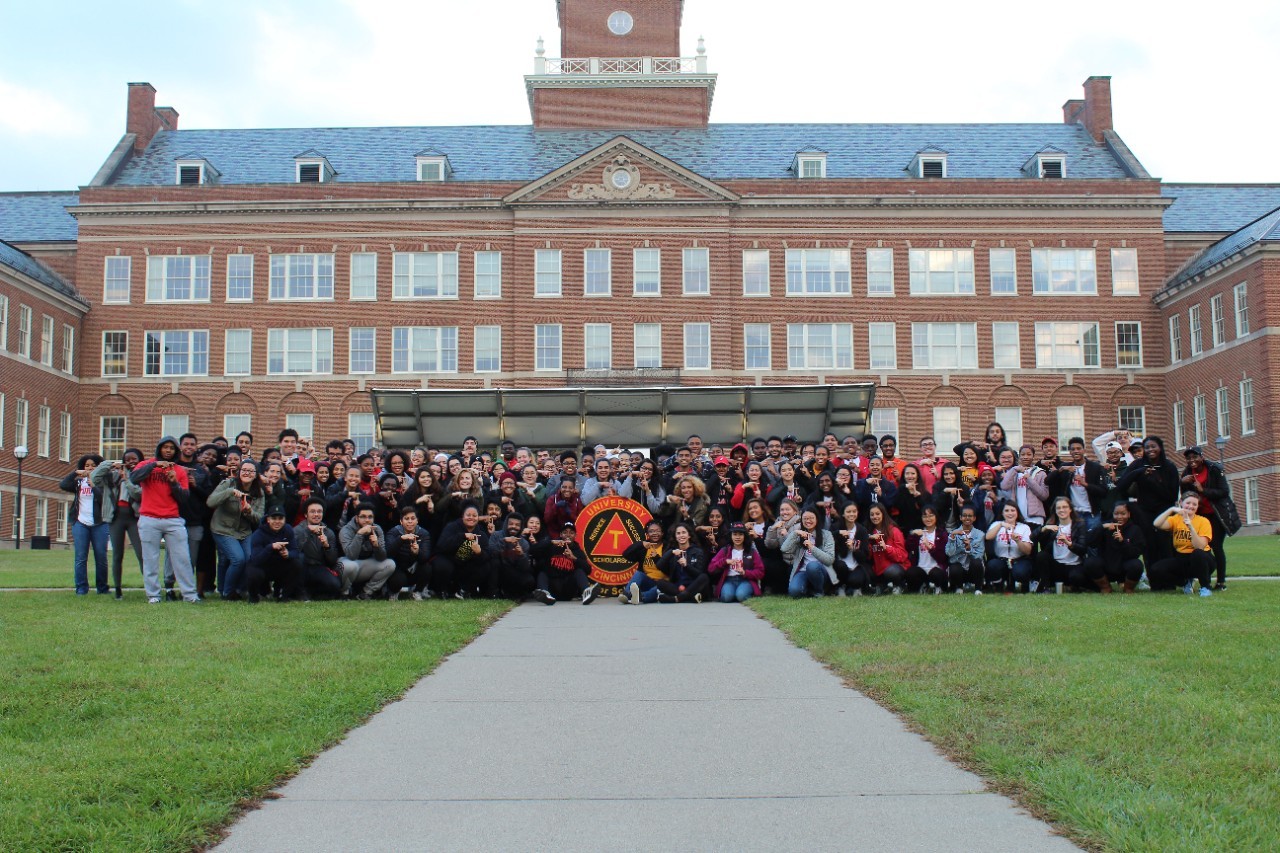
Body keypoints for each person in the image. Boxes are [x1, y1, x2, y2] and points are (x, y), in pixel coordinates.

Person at [130, 436, 200, 604]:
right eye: (165, 447)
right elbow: (134, 478)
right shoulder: (147, 465)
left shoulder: (180, 471)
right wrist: (154, 465)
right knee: (150, 559)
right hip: (149, 518)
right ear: (159, 448)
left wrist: (174, 483)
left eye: (172, 448)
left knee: (182, 558)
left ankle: (189, 595)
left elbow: (183, 498)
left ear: (176, 452)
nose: (168, 450)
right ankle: (153, 595)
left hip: (173, 519)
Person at [1114, 436, 1181, 569]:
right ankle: (1154, 579)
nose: (1150, 450)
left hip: (1164, 511)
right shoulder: (1138, 465)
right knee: (1148, 545)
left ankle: (1169, 579)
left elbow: (1172, 495)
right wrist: (1139, 473)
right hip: (1144, 511)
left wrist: (1155, 480)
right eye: (1147, 447)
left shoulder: (1169, 467)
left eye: (1153, 446)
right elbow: (1121, 485)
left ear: (1160, 448)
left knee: (1165, 544)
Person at [206, 459, 264, 599]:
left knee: (250, 558)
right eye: (244, 470)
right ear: (239, 472)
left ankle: (241, 590)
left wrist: (249, 511)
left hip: (244, 532)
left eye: (251, 471)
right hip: (223, 529)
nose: (247, 473)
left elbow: (258, 518)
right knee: (238, 559)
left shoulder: (258, 492)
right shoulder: (228, 484)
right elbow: (210, 502)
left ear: (256, 475)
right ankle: (227, 592)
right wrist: (229, 492)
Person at [90, 449, 144, 598]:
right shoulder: (113, 475)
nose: (131, 462)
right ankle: (118, 589)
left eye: (135, 459)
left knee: (141, 554)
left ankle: (150, 587)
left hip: (134, 517)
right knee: (117, 555)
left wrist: (126, 479)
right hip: (116, 518)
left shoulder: (141, 476)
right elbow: (94, 478)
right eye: (128, 459)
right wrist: (108, 464)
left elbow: (138, 494)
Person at [1179, 446, 1234, 590]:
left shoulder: (1214, 469)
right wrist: (1182, 483)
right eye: (1189, 458)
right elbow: (1185, 497)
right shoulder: (1186, 473)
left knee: (1216, 545)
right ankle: (1205, 580)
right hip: (1199, 515)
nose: (1192, 460)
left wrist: (1203, 490)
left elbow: (1224, 491)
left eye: (1195, 457)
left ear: (1202, 457)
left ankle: (1221, 582)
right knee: (1201, 548)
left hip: (1216, 514)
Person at [60, 454, 110, 596]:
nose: (90, 468)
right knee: (81, 557)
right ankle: (81, 588)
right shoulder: (77, 483)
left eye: (93, 465)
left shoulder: (103, 482)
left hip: (100, 523)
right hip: (80, 523)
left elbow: (103, 499)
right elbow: (63, 485)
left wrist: (93, 483)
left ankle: (102, 588)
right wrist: (75, 473)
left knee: (101, 556)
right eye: (87, 465)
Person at [1149, 493, 1214, 596]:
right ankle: (1185, 583)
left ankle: (1205, 587)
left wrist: (1190, 526)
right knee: (1156, 569)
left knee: (1197, 553)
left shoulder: (1203, 521)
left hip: (1203, 560)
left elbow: (1200, 546)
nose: (1191, 506)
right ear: (1181, 503)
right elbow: (1156, 523)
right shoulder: (1176, 519)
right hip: (1183, 558)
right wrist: (1171, 510)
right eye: (1188, 503)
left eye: (1194, 504)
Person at [337, 503, 396, 600]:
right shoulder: (346, 530)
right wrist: (359, 534)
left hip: (364, 565)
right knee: (351, 565)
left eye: (370, 517)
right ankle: (344, 593)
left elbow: (381, 558)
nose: (367, 520)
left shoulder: (377, 529)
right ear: (357, 518)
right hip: (345, 564)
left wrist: (376, 546)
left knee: (390, 564)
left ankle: (366, 593)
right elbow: (351, 556)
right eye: (363, 517)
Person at [1083, 503, 1145, 593]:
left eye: (1123, 514)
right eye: (1116, 514)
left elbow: (1136, 553)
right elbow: (1090, 542)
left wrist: (1122, 541)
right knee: (1090, 562)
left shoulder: (1135, 529)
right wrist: (1102, 527)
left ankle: (1128, 589)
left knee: (1137, 565)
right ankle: (1105, 588)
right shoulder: (1104, 526)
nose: (1119, 517)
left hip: (1124, 567)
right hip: (1106, 566)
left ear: (1129, 514)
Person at [435, 503, 495, 599]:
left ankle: (465, 590)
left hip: (466, 565)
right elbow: (441, 545)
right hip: (449, 560)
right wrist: (462, 536)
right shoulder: (451, 527)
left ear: (478, 517)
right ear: (462, 516)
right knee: (442, 565)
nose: (471, 518)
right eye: (468, 515)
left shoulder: (481, 533)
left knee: (486, 566)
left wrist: (479, 552)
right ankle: (442, 590)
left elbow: (488, 554)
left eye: (474, 515)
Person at [530, 522, 597, 605]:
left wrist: (574, 558)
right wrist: (550, 542)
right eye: (565, 532)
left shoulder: (578, 551)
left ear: (575, 535)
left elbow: (588, 570)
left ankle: (586, 593)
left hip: (568, 589)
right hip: (552, 587)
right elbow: (532, 550)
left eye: (571, 533)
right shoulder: (552, 546)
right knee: (542, 572)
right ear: (561, 534)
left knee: (579, 571)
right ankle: (545, 593)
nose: (568, 535)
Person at [245, 508, 304, 603]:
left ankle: (284, 595)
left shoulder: (288, 530)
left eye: (280, 518)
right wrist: (270, 547)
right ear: (268, 519)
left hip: (279, 565)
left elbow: (295, 551)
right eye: (274, 518)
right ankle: (253, 596)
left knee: (297, 563)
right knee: (253, 573)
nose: (277, 521)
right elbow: (256, 559)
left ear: (284, 520)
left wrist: (288, 554)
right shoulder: (258, 534)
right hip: (262, 566)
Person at [1035, 497, 1087, 593]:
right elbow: (1032, 538)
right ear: (1055, 510)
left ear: (1070, 509)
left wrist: (1068, 543)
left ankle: (1074, 586)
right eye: (1058, 508)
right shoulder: (1052, 525)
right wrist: (1044, 528)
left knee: (1076, 577)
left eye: (1065, 507)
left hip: (1074, 565)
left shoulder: (1080, 524)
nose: (1062, 510)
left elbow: (1083, 549)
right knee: (1041, 555)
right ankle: (1045, 588)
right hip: (1057, 565)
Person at [295, 497, 342, 599]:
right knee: (299, 558)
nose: (316, 514)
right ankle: (301, 592)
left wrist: (326, 545)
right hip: (302, 568)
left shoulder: (329, 532)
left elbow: (332, 560)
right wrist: (308, 531)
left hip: (318, 567)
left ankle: (313, 593)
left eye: (319, 512)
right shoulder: (297, 530)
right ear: (306, 514)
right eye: (312, 512)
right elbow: (295, 552)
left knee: (335, 585)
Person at [783, 507, 836, 598]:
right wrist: (794, 533)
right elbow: (784, 549)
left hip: (820, 571)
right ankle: (808, 590)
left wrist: (812, 547)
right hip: (803, 571)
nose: (808, 521)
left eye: (811, 518)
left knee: (812, 566)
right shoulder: (800, 535)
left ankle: (819, 591)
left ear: (817, 519)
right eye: (805, 518)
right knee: (794, 592)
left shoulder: (826, 534)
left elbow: (829, 560)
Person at [708, 522, 765, 602]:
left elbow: (760, 572)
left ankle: (743, 593)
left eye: (740, 534)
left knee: (741, 596)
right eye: (735, 534)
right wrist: (725, 561)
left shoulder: (751, 551)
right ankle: (734, 594)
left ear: (745, 536)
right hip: (729, 580)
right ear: (731, 536)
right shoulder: (725, 550)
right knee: (726, 597)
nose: (737, 537)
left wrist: (745, 572)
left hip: (746, 580)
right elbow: (711, 568)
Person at [985, 502, 1035, 593]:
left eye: (1013, 510)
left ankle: (1022, 586)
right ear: (1002, 513)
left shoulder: (1024, 527)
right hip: (1001, 560)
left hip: (1019, 559)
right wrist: (1001, 525)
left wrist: (1017, 541)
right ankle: (998, 585)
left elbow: (1028, 551)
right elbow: (988, 537)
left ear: (1017, 512)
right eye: (1007, 510)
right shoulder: (996, 524)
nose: (1010, 513)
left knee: (1021, 572)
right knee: (992, 565)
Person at [653, 521, 709, 603]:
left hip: (694, 586)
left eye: (683, 533)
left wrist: (686, 565)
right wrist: (671, 553)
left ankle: (677, 598)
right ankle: (690, 597)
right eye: (678, 533)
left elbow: (699, 574)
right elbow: (659, 566)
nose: (681, 535)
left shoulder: (698, 551)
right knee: (660, 583)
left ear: (689, 535)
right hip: (678, 587)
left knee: (704, 577)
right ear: (675, 537)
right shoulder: (673, 552)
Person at [386, 505, 433, 600]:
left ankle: (417, 592)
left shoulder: (424, 534)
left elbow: (425, 556)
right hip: (398, 568)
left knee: (427, 567)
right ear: (401, 521)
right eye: (406, 519)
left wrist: (417, 552)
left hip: (414, 568)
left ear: (417, 520)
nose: (410, 521)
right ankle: (393, 592)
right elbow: (387, 553)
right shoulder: (393, 532)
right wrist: (401, 539)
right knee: (398, 579)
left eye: (413, 518)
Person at [489, 512, 535, 600]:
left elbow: (525, 568)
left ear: (521, 527)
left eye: (517, 525)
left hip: (511, 572)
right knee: (495, 562)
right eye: (511, 524)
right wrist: (504, 541)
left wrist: (521, 555)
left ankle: (512, 593)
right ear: (506, 524)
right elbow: (491, 552)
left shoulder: (524, 543)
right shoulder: (496, 535)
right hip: (497, 570)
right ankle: (493, 593)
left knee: (529, 580)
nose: (514, 527)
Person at [620, 521, 669, 604]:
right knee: (639, 573)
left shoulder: (668, 546)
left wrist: (656, 558)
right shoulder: (644, 547)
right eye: (651, 531)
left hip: (663, 583)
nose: (655, 533)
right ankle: (628, 594)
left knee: (658, 588)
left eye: (657, 531)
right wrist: (641, 544)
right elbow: (626, 554)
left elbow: (670, 568)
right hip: (648, 581)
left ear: (662, 533)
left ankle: (640, 597)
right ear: (647, 534)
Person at [865, 502, 910, 594]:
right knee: (866, 569)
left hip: (896, 567)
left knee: (890, 572)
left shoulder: (894, 530)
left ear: (883, 514)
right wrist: (868, 541)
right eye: (872, 514)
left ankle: (900, 585)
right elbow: (868, 557)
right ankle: (882, 586)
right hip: (879, 568)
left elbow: (902, 555)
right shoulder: (869, 532)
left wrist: (886, 548)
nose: (875, 517)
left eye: (878, 514)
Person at [831, 502, 872, 596]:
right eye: (848, 512)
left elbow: (865, 556)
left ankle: (855, 588)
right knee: (841, 566)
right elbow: (825, 539)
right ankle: (840, 586)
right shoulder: (835, 527)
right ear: (843, 514)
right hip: (840, 564)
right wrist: (838, 533)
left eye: (854, 511)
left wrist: (854, 549)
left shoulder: (862, 530)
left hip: (856, 565)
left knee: (855, 581)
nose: (851, 514)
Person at [944, 505, 985, 594]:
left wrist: (969, 548)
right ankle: (959, 587)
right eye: (965, 515)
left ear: (974, 518)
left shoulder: (980, 534)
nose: (967, 518)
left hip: (972, 570)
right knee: (954, 567)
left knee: (977, 562)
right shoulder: (953, 533)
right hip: (960, 569)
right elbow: (949, 553)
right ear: (960, 517)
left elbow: (979, 555)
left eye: (970, 516)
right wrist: (952, 539)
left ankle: (978, 589)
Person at [908, 505, 949, 593]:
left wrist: (930, 548)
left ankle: (938, 587)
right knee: (911, 572)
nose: (928, 519)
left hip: (936, 568)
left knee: (935, 573)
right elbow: (909, 548)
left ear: (936, 517)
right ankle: (924, 585)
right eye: (925, 516)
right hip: (921, 567)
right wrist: (913, 536)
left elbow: (942, 557)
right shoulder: (918, 532)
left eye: (931, 515)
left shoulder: (942, 534)